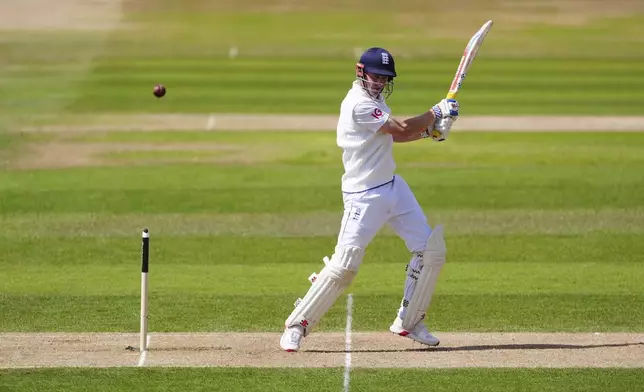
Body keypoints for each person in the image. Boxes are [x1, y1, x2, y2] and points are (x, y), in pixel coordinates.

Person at [280, 47, 459, 352]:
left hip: (392, 186)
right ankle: (297, 324)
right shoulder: (358, 104)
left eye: (385, 78)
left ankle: (410, 320)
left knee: (431, 250)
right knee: (344, 266)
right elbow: (400, 129)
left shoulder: (376, 100)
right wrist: (436, 113)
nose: (379, 83)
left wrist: (430, 132)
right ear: (361, 72)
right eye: (376, 76)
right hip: (363, 195)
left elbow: (395, 135)